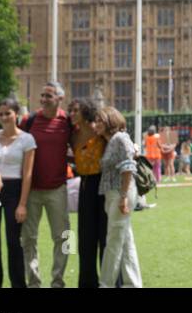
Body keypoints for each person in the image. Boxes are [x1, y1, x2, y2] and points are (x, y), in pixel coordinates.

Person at [20, 81, 74, 288]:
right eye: (42, 95)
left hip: (58, 189)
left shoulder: (67, 122)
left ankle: (58, 281)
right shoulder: (29, 120)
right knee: (28, 239)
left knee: (66, 237)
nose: (43, 99)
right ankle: (33, 282)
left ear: (59, 99)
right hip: (31, 190)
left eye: (48, 96)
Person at [0, 98, 35, 288]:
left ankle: (18, 284)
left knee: (14, 241)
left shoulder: (27, 139)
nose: (4, 117)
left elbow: (28, 173)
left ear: (16, 114)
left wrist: (22, 204)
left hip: (15, 190)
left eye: (8, 113)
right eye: (1, 113)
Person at [95, 106, 142, 288]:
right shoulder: (111, 141)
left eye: (100, 120)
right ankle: (132, 284)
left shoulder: (119, 138)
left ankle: (105, 284)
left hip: (120, 193)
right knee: (125, 242)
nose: (96, 124)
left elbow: (128, 167)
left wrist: (123, 197)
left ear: (110, 121)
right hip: (113, 194)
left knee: (113, 241)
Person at [68, 99, 106, 288]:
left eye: (76, 110)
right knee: (85, 238)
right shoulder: (72, 136)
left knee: (105, 236)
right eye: (70, 110)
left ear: (86, 112)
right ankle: (88, 282)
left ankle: (108, 280)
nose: (72, 113)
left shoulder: (100, 131)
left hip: (103, 185)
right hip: (85, 186)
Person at [144, 126, 163, 192]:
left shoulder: (146, 138)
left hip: (149, 156)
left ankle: (150, 180)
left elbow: (145, 145)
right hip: (156, 155)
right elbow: (160, 145)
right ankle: (158, 180)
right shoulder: (157, 138)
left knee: (149, 169)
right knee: (157, 168)